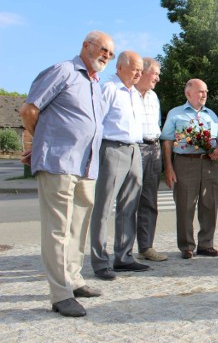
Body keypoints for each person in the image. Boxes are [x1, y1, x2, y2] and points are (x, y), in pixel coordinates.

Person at [19, 30, 114, 317]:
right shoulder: (63, 71)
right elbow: (29, 109)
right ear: (86, 46)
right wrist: (41, 141)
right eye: (102, 50)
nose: (106, 56)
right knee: (57, 230)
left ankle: (74, 279)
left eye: (110, 53)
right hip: (59, 162)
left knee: (78, 228)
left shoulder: (96, 84)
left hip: (87, 167)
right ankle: (60, 294)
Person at [90, 51, 148, 280]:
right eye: (135, 69)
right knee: (103, 207)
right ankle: (100, 261)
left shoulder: (134, 93)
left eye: (141, 70)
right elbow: (96, 122)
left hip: (134, 149)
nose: (139, 74)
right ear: (121, 67)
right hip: (112, 147)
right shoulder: (109, 89)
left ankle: (123, 257)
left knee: (129, 206)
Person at [161, 79, 218, 259]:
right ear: (188, 93)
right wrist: (169, 167)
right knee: (185, 204)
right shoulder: (176, 113)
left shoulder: (211, 114)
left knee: (210, 203)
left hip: (209, 163)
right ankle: (186, 245)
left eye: (206, 91)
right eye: (200, 91)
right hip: (185, 161)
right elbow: (167, 141)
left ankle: (206, 244)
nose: (204, 95)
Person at [135, 58, 167, 262]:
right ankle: (122, 249)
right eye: (155, 73)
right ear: (143, 72)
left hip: (153, 147)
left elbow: (157, 124)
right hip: (134, 147)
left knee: (149, 200)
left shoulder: (154, 97)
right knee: (128, 200)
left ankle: (146, 246)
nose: (158, 77)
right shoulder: (128, 95)